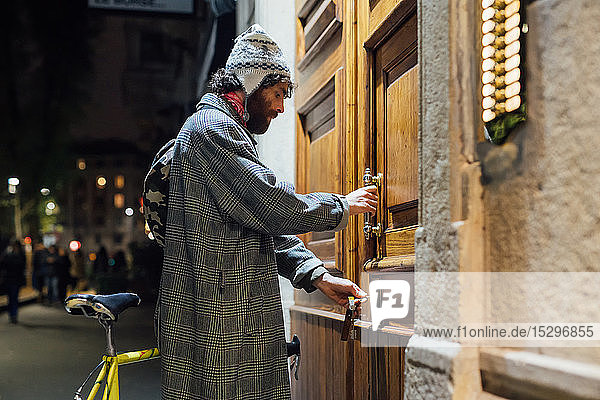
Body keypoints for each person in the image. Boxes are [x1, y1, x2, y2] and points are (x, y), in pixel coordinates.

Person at [157, 24, 378, 400]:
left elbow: (259, 227)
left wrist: (318, 275)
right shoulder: (212, 130)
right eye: (277, 94)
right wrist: (341, 206)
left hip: (230, 318)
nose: (279, 106)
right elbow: (269, 204)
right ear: (250, 83)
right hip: (218, 321)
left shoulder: (224, 130)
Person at [0, 241, 26, 323]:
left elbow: (20, 266)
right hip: (8, 280)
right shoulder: (8, 255)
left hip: (15, 280)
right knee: (10, 298)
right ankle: (11, 314)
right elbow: (3, 264)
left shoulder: (20, 256)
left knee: (14, 298)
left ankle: (13, 315)